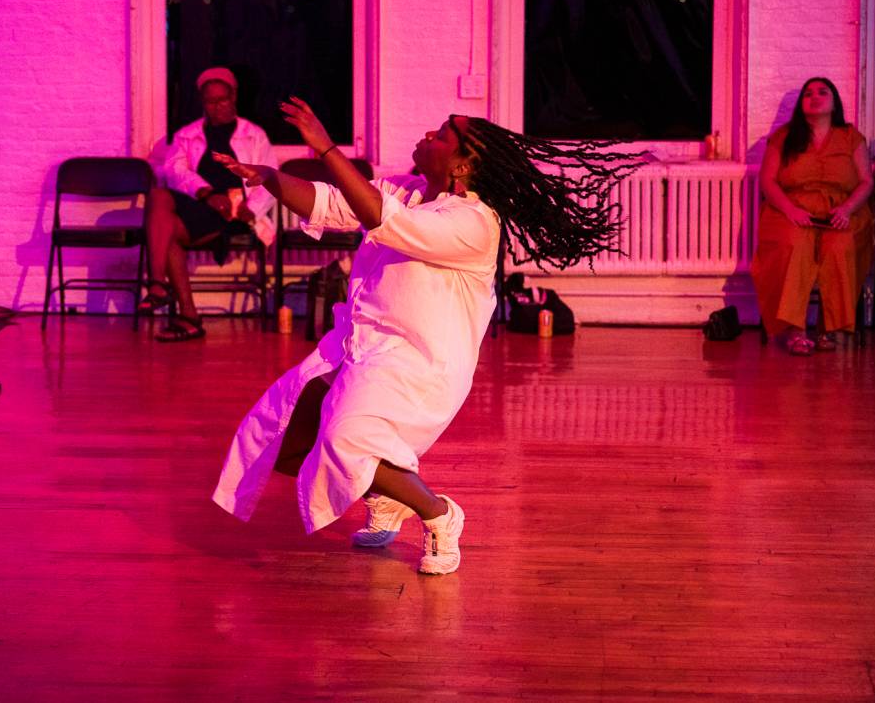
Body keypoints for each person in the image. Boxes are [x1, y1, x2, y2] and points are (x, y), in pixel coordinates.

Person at [210, 98, 639, 575]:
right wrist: (269, 177)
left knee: (348, 438)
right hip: (358, 346)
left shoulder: (474, 222)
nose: (427, 137)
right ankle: (388, 497)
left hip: (417, 363)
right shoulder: (411, 190)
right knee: (287, 435)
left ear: (462, 165)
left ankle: (438, 514)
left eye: (441, 136)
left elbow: (382, 219)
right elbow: (332, 203)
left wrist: (327, 147)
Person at [142, 66, 277, 342]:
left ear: (234, 97)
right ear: (203, 103)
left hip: (234, 209)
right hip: (199, 203)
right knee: (159, 198)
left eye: (222, 100)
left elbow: (269, 176)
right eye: (210, 102)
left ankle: (174, 302)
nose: (217, 107)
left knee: (163, 230)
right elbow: (174, 170)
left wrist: (249, 209)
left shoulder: (254, 134)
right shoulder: (187, 134)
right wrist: (204, 192)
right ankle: (163, 290)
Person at [751, 78, 874, 355]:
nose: (815, 97)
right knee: (795, 245)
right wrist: (791, 210)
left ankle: (828, 328)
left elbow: (866, 181)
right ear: (801, 104)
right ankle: (795, 329)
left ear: (834, 102)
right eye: (808, 93)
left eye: (822, 92)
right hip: (792, 210)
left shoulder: (850, 137)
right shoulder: (785, 136)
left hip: (841, 211)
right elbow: (768, 182)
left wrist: (846, 209)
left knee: (839, 247)